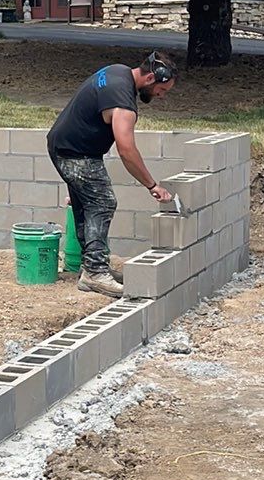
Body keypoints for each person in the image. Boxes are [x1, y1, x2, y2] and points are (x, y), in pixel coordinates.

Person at [47, 52, 177, 297]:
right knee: (102, 202)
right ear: (150, 78)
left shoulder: (118, 71)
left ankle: (93, 265)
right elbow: (126, 150)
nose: (162, 95)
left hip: (65, 144)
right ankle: (95, 273)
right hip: (75, 152)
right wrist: (152, 185)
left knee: (87, 204)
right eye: (162, 89)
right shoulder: (123, 100)